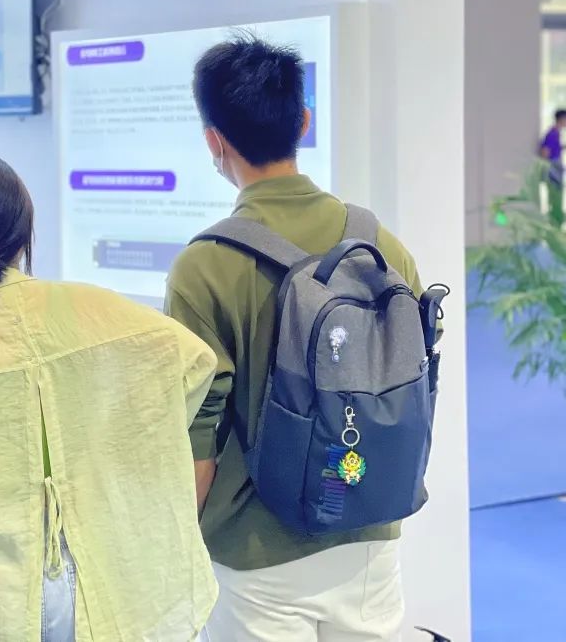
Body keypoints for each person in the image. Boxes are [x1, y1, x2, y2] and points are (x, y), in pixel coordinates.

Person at [0, 153, 220, 642]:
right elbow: (197, 361)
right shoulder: (103, 311)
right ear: (25, 230)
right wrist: (133, 440)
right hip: (119, 588)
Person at [166, 35, 428, 641]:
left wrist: (181, 546)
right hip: (369, 531)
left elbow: (198, 431)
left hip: (256, 549)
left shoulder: (205, 266)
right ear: (303, 123)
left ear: (214, 142)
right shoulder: (380, 245)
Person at [539, 109, 566, 228]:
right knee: (555, 201)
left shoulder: (556, 134)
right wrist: (550, 169)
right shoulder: (552, 134)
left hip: (556, 170)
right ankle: (555, 227)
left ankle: (557, 225)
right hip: (553, 172)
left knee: (558, 199)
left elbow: (553, 149)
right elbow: (545, 153)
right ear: (561, 119)